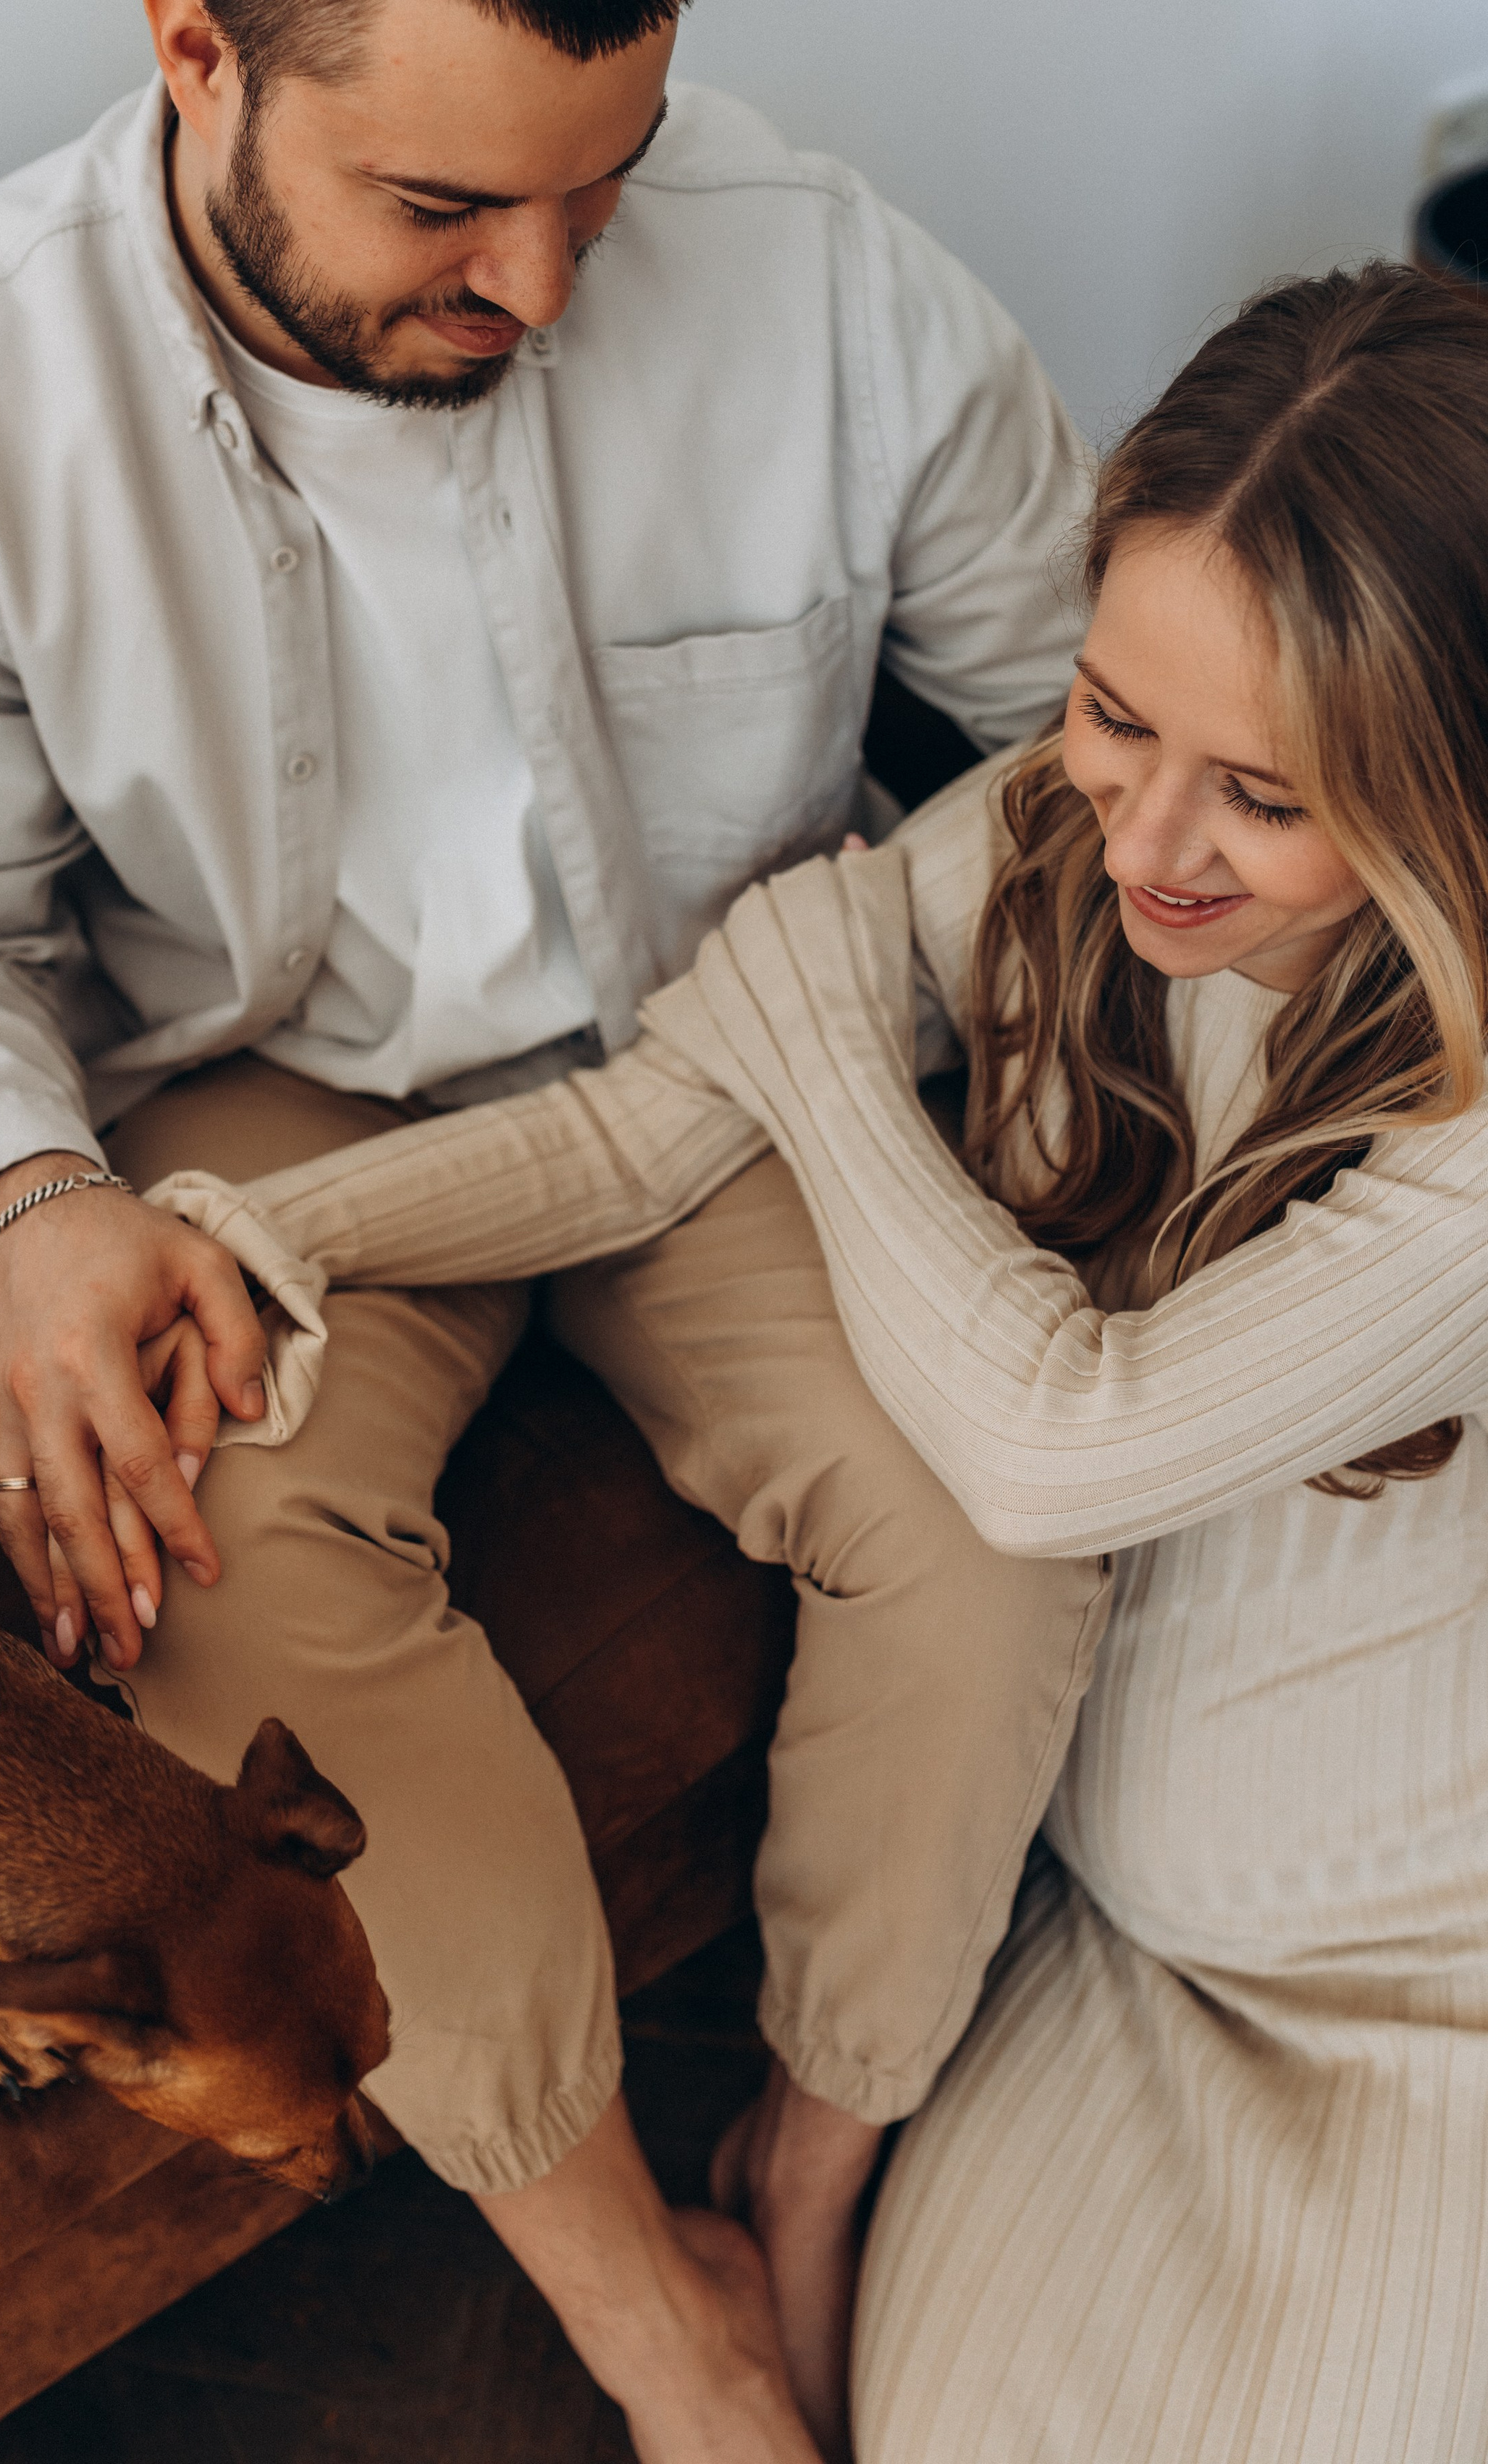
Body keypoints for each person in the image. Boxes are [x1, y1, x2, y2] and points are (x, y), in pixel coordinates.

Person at [0, 0, 1099, 2455]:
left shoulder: (840, 283)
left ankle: (825, 2175)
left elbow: (1067, 768)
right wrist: (28, 1207)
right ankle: (657, 2315)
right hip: (269, 1128)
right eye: (446, 204)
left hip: (729, 1058)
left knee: (1012, 1508)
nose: (547, 289)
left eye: (607, 184)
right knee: (211, 1619)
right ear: (194, 49)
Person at [154, 259, 1488, 2460]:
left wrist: (831, 1067)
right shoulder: (1064, 853)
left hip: (1430, 1992)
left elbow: (1062, 1453)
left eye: (1264, 792)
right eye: (1112, 709)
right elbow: (639, 1130)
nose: (1146, 838)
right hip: (1117, 1963)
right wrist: (259, 1231)